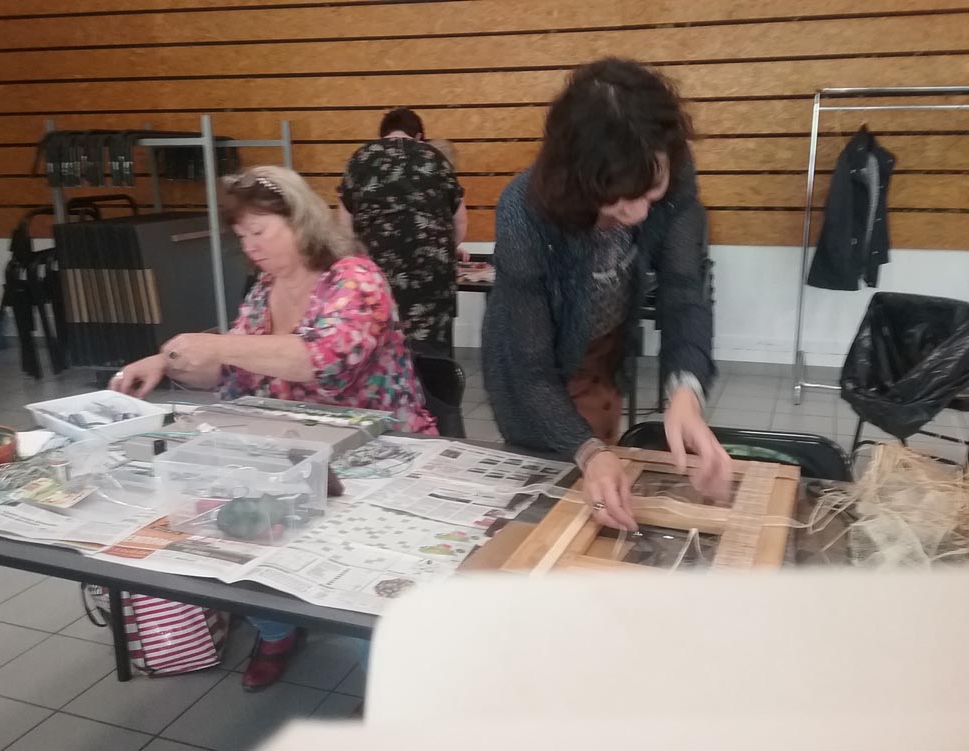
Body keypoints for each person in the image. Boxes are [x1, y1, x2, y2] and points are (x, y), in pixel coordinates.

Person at [111, 165, 436, 690]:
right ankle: (276, 629)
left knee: (366, 574)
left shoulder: (356, 278)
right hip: (291, 448)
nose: (251, 246)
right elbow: (232, 369)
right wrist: (166, 360)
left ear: (301, 221)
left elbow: (323, 361)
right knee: (228, 524)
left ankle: (389, 678)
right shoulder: (266, 288)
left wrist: (217, 344)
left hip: (374, 450)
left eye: (259, 231)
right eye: (242, 236)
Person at [482, 58, 732, 532]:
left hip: (602, 352)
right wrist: (589, 452)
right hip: (532, 365)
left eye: (651, 193)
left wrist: (685, 392)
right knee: (554, 493)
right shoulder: (524, 211)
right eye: (618, 202)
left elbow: (683, 290)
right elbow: (530, 371)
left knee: (605, 487)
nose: (639, 214)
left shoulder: (673, 169)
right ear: (579, 181)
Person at [338, 108, 467, 357]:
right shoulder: (436, 158)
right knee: (431, 360)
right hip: (432, 281)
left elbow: (344, 227)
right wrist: (442, 249)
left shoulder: (360, 159)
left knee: (380, 353)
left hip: (376, 279)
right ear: (419, 135)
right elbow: (460, 223)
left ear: (383, 134)